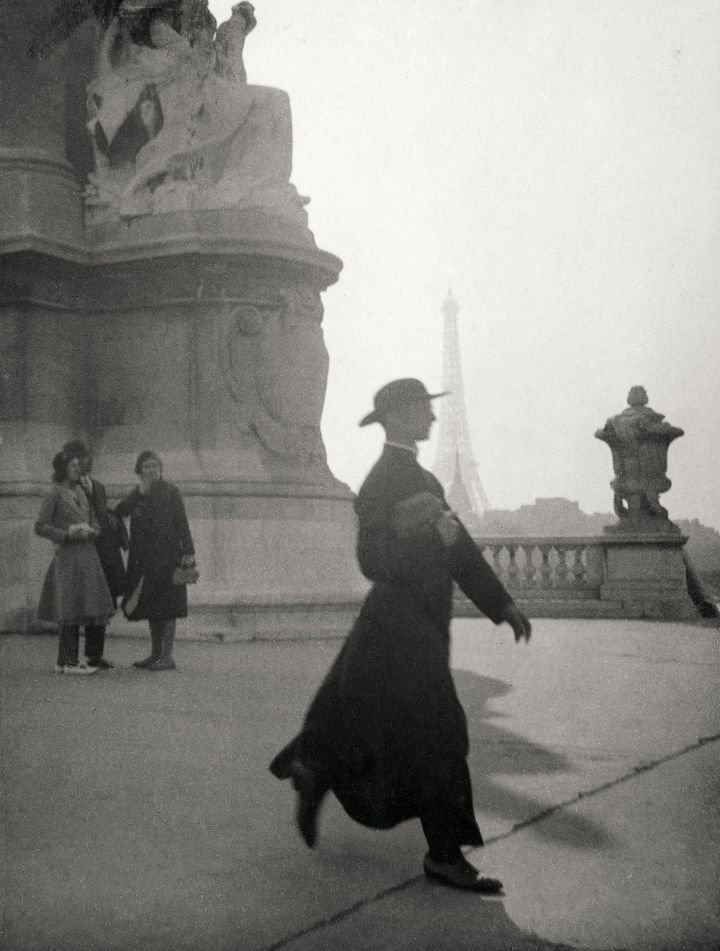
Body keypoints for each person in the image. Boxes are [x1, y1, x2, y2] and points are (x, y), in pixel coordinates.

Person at [270, 378, 532, 893]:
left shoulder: (422, 478)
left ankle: (314, 767)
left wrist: (501, 603)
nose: (432, 419)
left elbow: (461, 552)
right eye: (422, 410)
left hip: (411, 626)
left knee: (366, 718)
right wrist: (426, 541)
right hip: (399, 627)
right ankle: (444, 854)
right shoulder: (381, 482)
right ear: (398, 416)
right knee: (440, 734)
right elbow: (373, 561)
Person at [115, 450, 197, 671]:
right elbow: (120, 511)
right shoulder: (138, 493)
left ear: (161, 469)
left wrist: (188, 552)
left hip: (169, 558)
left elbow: (182, 523)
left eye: (155, 466)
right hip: (145, 561)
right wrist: (137, 495)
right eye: (146, 466)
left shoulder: (171, 491)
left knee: (169, 606)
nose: (151, 470)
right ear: (139, 471)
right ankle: (155, 654)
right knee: (152, 607)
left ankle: (167, 657)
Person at [35, 451, 115, 674]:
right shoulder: (54, 493)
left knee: (80, 607)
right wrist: (67, 533)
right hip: (69, 557)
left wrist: (94, 530)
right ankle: (70, 662)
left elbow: (94, 520)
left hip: (87, 555)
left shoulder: (80, 491)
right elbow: (40, 526)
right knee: (69, 608)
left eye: (78, 466)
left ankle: (63, 662)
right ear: (62, 470)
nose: (77, 469)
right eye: (72, 466)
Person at [62, 440, 127, 669]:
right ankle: (69, 657)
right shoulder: (64, 488)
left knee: (101, 604)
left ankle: (94, 655)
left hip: (103, 553)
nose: (83, 461)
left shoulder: (98, 486)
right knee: (76, 604)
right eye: (77, 457)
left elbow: (101, 516)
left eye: (85, 456)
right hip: (79, 551)